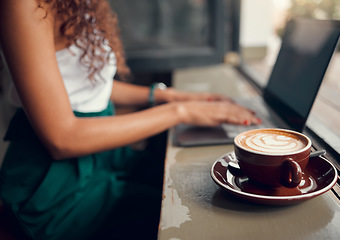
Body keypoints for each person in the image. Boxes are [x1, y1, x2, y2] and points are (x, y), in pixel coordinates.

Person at [0, 0, 261, 240]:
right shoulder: (22, 4)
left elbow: (86, 85)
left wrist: (170, 96)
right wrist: (179, 112)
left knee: (190, 182)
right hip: (54, 185)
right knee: (189, 212)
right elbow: (62, 138)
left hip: (104, 157)